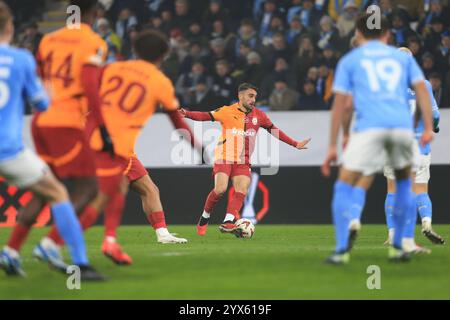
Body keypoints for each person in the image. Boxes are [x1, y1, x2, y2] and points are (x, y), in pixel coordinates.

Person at [38, 30, 202, 265]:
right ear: (164, 55)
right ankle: (53, 243)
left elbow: (89, 90)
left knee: (144, 189)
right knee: (99, 198)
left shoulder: (112, 68)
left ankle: (137, 237)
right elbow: (177, 121)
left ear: (134, 50)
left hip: (103, 142)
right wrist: (199, 148)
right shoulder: (160, 82)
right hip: (113, 146)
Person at [0, 1, 104, 280]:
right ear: (94, 13)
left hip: (39, 124)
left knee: (44, 187)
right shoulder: (93, 42)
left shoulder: (48, 40)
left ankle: (11, 251)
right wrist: (103, 128)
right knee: (88, 188)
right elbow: (91, 88)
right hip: (66, 122)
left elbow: (42, 80)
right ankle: (55, 249)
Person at [321, 13, 434, 264]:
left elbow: (342, 105)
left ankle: (341, 250)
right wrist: (427, 127)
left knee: (346, 183)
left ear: (359, 35)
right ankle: (400, 246)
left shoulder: (351, 60)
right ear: (387, 36)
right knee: (406, 184)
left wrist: (335, 142)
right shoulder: (402, 60)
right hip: (401, 130)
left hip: (369, 128)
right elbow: (422, 91)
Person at [180, 83, 311, 236]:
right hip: (224, 156)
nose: (253, 100)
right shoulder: (226, 111)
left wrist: (295, 143)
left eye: (255, 97)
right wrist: (186, 114)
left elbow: (274, 130)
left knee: (241, 189)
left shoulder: (259, 115)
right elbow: (205, 116)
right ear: (240, 96)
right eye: (250, 96)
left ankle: (228, 221)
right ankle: (205, 217)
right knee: (220, 189)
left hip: (244, 160)